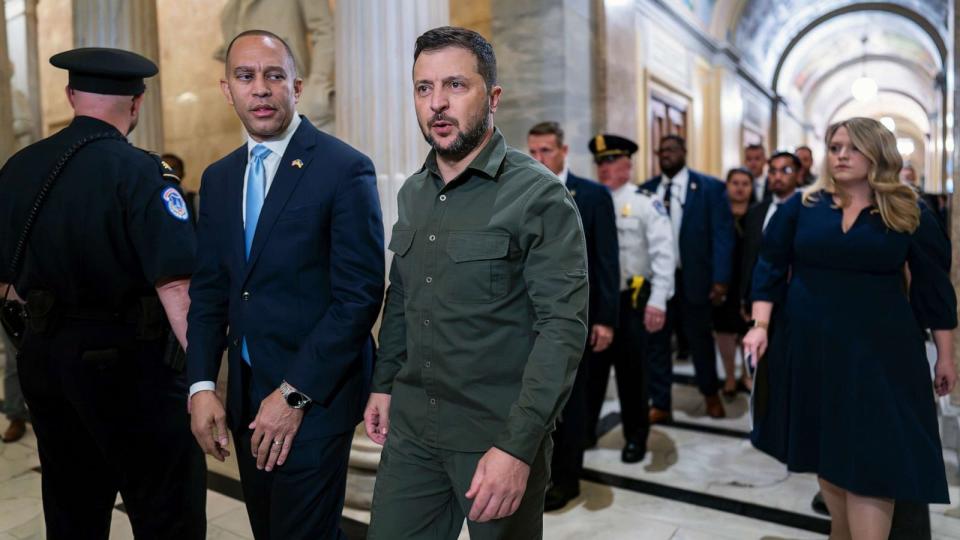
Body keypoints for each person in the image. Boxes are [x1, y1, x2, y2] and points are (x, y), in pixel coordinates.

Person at [364, 27, 588, 539]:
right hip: (414, 431)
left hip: (496, 436)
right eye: (423, 88)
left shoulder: (539, 197)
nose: (437, 104)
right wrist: (383, 382)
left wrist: (518, 446)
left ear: (492, 96)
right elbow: (401, 295)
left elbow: (562, 330)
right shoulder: (414, 193)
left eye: (455, 86)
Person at [187, 30, 385, 538]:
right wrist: (203, 384)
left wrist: (293, 395)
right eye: (245, 76)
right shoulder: (219, 178)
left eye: (273, 76)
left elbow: (358, 298)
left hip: (314, 397)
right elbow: (211, 291)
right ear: (226, 89)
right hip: (248, 398)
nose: (260, 89)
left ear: (295, 86)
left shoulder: (343, 168)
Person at [0, 47, 205, 538]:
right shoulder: (140, 172)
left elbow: (7, 284)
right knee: (165, 507)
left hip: (46, 358)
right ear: (136, 104)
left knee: (71, 505)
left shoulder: (18, 168)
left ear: (71, 95)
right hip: (128, 366)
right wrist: (204, 384)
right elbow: (177, 287)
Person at [744, 117, 956, 540]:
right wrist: (760, 324)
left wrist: (946, 355)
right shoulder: (802, 207)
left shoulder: (907, 209)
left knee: (874, 465)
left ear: (877, 153)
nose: (841, 155)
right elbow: (769, 266)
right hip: (811, 350)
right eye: (835, 146)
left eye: (852, 147)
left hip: (881, 355)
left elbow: (934, 288)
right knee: (831, 463)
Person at [527, 122, 619, 510]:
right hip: (531, 315)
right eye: (532, 152)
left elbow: (606, 260)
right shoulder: (522, 190)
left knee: (572, 399)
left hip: (577, 315)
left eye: (546, 151)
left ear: (563, 151)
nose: (538, 159)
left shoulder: (593, 195)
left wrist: (605, 318)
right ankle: (537, 474)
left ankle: (568, 479)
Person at [584, 133, 674, 465]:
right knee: (591, 372)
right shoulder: (590, 199)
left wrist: (659, 300)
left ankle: (636, 437)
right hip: (596, 302)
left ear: (628, 163)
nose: (604, 168)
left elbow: (664, 254)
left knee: (632, 375)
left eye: (611, 160)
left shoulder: (644, 203)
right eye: (600, 162)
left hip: (632, 301)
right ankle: (586, 429)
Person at [642, 135, 735, 421]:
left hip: (694, 278)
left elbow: (722, 235)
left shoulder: (710, 188)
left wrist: (721, 279)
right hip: (658, 281)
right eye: (661, 150)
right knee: (657, 342)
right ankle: (661, 402)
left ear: (684, 151)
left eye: (671, 149)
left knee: (699, 341)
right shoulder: (647, 190)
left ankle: (710, 394)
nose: (666, 154)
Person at [740, 151, 802, 320]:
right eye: (773, 171)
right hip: (760, 297)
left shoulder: (808, 210)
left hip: (795, 298)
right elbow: (749, 258)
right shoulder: (755, 211)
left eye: (785, 170)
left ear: (798, 175)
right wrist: (746, 296)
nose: (777, 176)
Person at [714, 168, 753, 397]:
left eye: (745, 183)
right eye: (735, 183)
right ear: (727, 185)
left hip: (747, 279)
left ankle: (746, 375)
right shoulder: (719, 212)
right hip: (723, 281)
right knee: (725, 330)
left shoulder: (759, 212)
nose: (739, 188)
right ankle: (729, 376)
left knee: (746, 329)